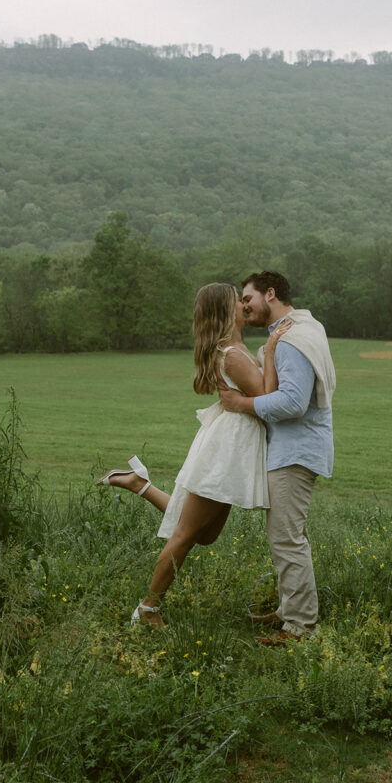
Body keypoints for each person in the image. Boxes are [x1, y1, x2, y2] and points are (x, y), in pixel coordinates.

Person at [98, 282, 289, 628]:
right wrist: (273, 349)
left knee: (205, 534)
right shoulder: (231, 355)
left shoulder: (236, 349)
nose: (244, 306)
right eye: (237, 301)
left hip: (230, 448)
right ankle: (148, 610)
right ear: (223, 311)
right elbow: (266, 397)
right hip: (225, 453)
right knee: (186, 535)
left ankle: (140, 485)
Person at [219, 271, 335, 646]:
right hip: (291, 450)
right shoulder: (289, 334)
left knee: (287, 538)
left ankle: (300, 628)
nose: (243, 305)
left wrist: (242, 403)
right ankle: (289, 612)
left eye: (247, 297)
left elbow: (293, 402)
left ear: (270, 294)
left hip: (295, 452)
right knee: (285, 535)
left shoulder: (292, 340)